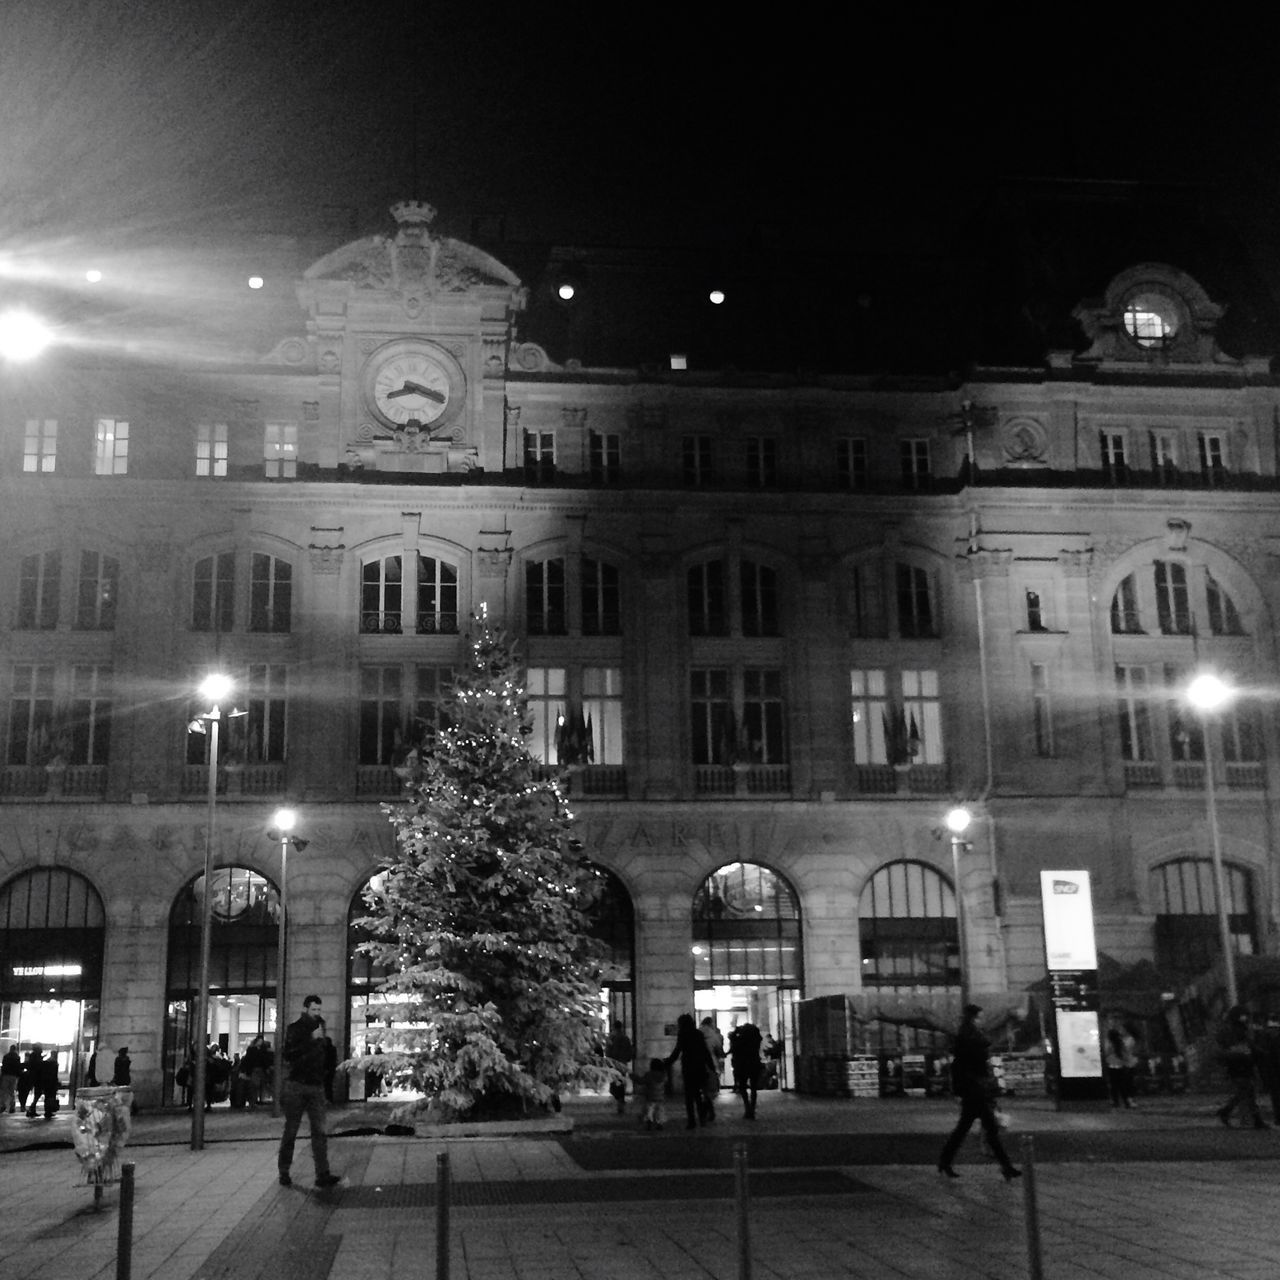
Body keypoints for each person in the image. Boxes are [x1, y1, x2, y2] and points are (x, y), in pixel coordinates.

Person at [937, 1004, 1021, 1181]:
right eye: (980, 1017)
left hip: (972, 1090)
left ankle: (945, 1162)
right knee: (989, 1129)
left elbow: (964, 1063)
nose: (982, 1020)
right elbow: (977, 1058)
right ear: (974, 1017)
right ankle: (1006, 1167)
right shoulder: (971, 1036)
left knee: (965, 1129)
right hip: (975, 1090)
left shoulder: (966, 1035)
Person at [277, 994, 340, 1188]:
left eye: (319, 1010)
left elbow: (325, 1054)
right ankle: (284, 1171)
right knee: (291, 1129)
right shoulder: (295, 1029)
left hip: (315, 1085)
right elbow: (290, 1054)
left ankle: (323, 1173)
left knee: (319, 1131)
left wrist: (326, 1070)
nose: (317, 1013)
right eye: (314, 1010)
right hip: (297, 1084)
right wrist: (312, 1041)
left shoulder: (321, 1027)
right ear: (305, 1009)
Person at [1216, 1006, 1268, 1129]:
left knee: (1244, 1092)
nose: (1246, 1019)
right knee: (1247, 1092)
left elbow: (1249, 1046)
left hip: (1244, 1065)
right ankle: (1256, 1120)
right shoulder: (1232, 1031)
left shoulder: (1240, 1030)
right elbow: (1242, 1047)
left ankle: (1226, 1111)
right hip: (1238, 1066)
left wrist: (1259, 1053)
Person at [666, 1012, 718, 1129]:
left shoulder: (683, 1034)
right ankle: (702, 1118)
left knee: (689, 1097)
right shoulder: (698, 1034)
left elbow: (677, 1051)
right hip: (700, 1067)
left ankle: (692, 1121)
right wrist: (711, 1067)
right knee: (699, 1096)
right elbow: (705, 1052)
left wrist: (667, 1063)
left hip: (688, 1067)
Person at [728, 1020, 764, 1119]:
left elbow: (732, 1039)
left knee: (743, 1087)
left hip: (742, 1065)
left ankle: (747, 1107)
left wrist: (736, 1031)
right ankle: (752, 1108)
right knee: (753, 1088)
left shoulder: (740, 1040)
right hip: (754, 1064)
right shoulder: (756, 1040)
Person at [1104, 1019, 1137, 1109]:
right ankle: (1126, 1101)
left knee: (1114, 1085)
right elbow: (1125, 1054)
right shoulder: (1120, 1043)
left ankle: (1115, 1101)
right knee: (1123, 1085)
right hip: (1121, 1066)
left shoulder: (1110, 1044)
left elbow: (1106, 1053)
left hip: (1112, 1066)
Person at [605, 1020, 634, 1115]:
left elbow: (608, 1052)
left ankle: (619, 1100)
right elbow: (630, 1051)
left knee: (615, 1083)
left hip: (613, 1064)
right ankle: (620, 1099)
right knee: (620, 1082)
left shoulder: (612, 1038)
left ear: (613, 1027)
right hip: (622, 1064)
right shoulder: (625, 1038)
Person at [632, 1058, 667, 1129]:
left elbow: (641, 1081)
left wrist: (634, 1077)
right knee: (659, 1111)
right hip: (660, 1098)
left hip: (650, 1097)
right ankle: (659, 1123)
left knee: (649, 1110)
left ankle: (649, 1122)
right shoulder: (664, 1075)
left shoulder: (649, 1074)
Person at [23, 1045, 46, 1117]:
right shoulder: (36, 1056)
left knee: (37, 1093)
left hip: (33, 1077)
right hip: (37, 1077)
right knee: (38, 1093)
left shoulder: (33, 1056)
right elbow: (37, 1065)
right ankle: (31, 1108)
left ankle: (32, 1108)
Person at [1, 1043, 20, 1113]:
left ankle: (3, 1105)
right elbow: (18, 1068)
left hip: (6, 1076)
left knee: (4, 1091)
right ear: (15, 1050)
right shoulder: (17, 1057)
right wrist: (18, 1076)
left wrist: (2, 1075)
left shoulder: (6, 1056)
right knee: (12, 1092)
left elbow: (3, 1067)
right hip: (14, 1076)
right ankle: (12, 1106)